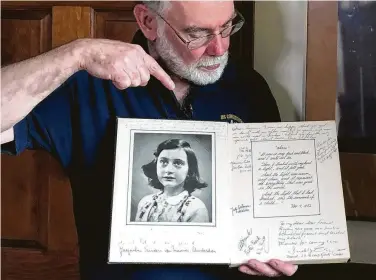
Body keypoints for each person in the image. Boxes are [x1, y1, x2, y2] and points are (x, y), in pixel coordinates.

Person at [1, 0, 298, 279]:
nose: (219, 49)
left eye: (227, 27)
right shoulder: (87, 87)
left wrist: (274, 248)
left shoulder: (249, 87)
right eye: (197, 34)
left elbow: (267, 207)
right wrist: (77, 53)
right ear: (147, 22)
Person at [135, 138, 210, 223]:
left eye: (178, 163)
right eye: (163, 162)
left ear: (189, 170)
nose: (168, 170)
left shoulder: (196, 208)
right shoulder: (145, 203)